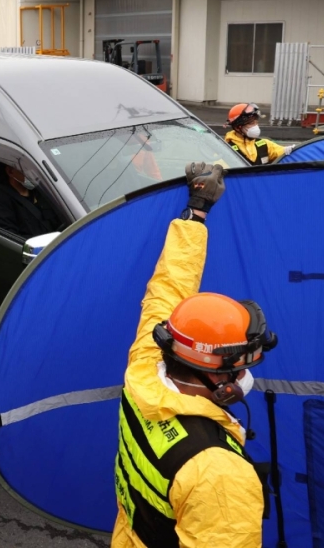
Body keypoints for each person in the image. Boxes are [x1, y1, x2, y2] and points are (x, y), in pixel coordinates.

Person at [112, 162, 276, 548]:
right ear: (216, 376)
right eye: (240, 369)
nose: (244, 378)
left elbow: (168, 287)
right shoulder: (218, 474)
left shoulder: (145, 368)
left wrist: (196, 212)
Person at [0, 164, 62, 239]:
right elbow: (10, 239)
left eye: (35, 170)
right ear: (10, 171)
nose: (34, 175)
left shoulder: (42, 192)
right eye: (28, 169)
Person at [224, 103, 293, 165]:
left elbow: (280, 151)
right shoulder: (226, 149)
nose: (255, 126)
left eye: (256, 123)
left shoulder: (265, 144)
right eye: (251, 123)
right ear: (237, 127)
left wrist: (291, 150)